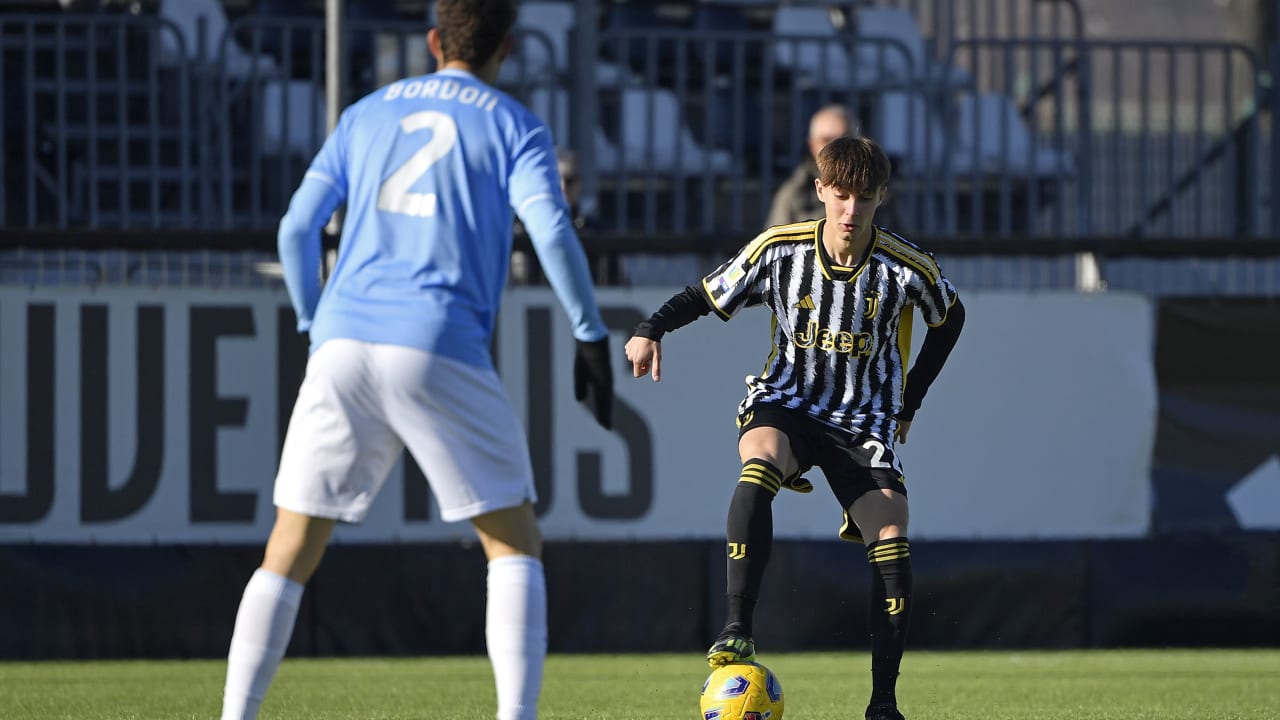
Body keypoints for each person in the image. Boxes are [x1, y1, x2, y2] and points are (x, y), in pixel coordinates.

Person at [220, 2, 614, 719]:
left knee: (291, 545)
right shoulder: (513, 123)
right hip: (436, 339)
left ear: (433, 41)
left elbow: (296, 228)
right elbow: (551, 231)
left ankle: (233, 716)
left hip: (341, 338)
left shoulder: (365, 114)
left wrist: (314, 321)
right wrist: (589, 332)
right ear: (508, 47)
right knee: (514, 540)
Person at [624, 136, 964, 720]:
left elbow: (951, 316)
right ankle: (737, 629)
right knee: (759, 460)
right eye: (840, 195)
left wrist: (911, 400)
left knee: (891, 537)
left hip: (861, 422)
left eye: (863, 197)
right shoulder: (780, 250)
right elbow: (705, 295)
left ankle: (884, 702)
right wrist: (651, 328)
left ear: (882, 197)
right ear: (820, 193)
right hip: (787, 401)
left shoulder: (905, 269)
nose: (850, 210)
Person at [764, 104, 855, 228]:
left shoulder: (881, 185)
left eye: (844, 139)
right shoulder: (794, 193)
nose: (836, 148)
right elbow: (776, 243)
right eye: (827, 140)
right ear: (812, 144)